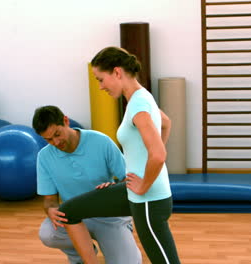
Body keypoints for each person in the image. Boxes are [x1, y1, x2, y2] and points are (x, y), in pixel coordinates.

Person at [58, 47, 181, 264]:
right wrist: (141, 170)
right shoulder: (140, 98)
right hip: (134, 192)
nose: (100, 86)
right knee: (69, 210)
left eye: (101, 79)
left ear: (117, 72)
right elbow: (166, 123)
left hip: (148, 201)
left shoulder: (139, 104)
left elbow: (159, 155)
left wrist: (144, 184)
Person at [32, 105, 142, 264]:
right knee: (47, 234)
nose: (55, 142)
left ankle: (121, 239)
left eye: (57, 134)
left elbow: (129, 179)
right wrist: (51, 209)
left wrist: (113, 189)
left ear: (66, 121)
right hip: (74, 218)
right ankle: (79, 257)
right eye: (48, 139)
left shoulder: (101, 141)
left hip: (109, 216)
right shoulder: (44, 157)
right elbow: (49, 199)